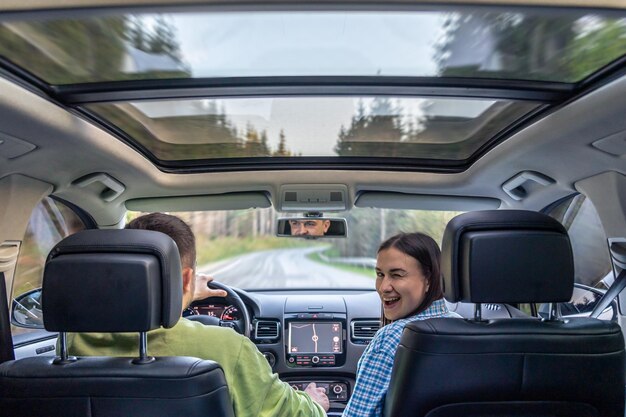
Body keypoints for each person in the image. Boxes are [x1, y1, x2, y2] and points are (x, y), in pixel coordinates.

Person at [66, 213, 329, 417]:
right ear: (188, 277)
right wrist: (315, 403)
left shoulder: (69, 347)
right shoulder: (227, 347)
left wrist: (185, 292)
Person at [342, 232, 457, 417]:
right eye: (380, 274)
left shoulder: (392, 338)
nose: (383, 287)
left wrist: (315, 407)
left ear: (428, 280)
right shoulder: (463, 327)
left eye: (396, 275)